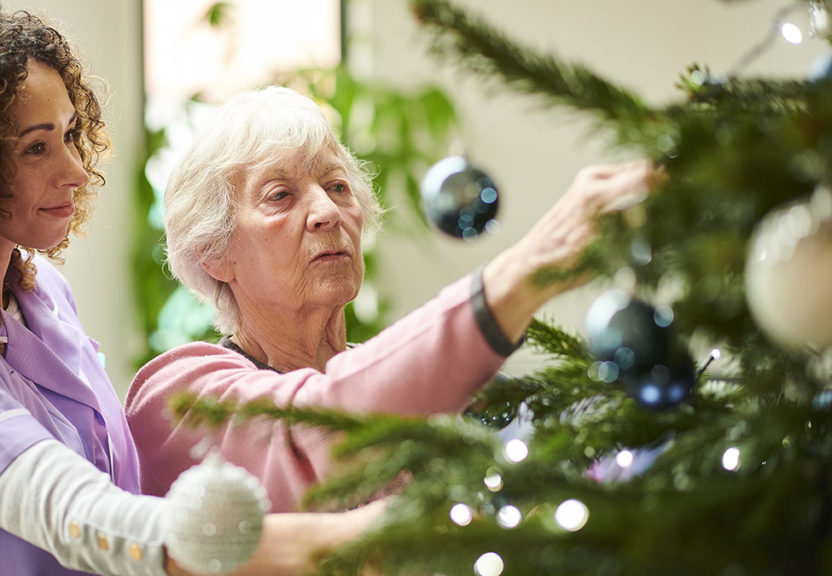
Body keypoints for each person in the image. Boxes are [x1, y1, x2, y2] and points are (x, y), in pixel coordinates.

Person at [0, 2, 381, 575]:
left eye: (70, 134)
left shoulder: (44, 298)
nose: (78, 170)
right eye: (37, 147)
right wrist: (354, 537)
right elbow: (81, 518)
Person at [125, 86, 658, 512]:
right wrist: (527, 269)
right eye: (280, 195)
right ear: (213, 253)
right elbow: (327, 429)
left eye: (337, 186)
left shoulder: (411, 383)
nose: (327, 212)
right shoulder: (177, 397)